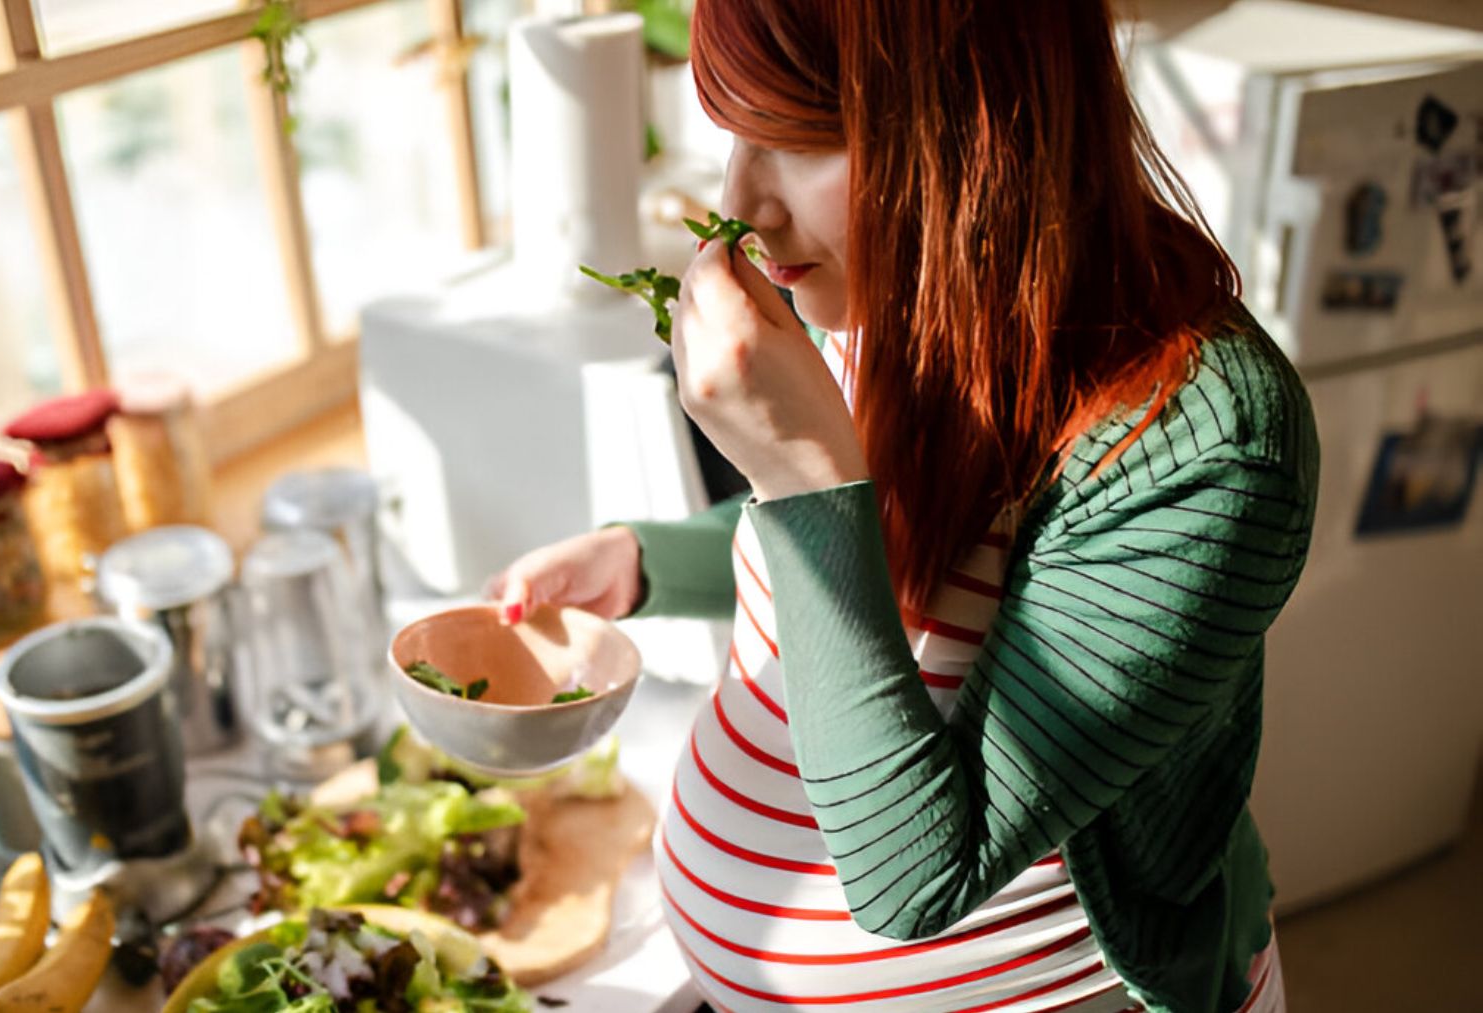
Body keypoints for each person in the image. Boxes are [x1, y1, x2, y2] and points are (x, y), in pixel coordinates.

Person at [485, 1, 1319, 1010]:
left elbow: (918, 874)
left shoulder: (1212, 446)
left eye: (800, 140)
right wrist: (649, 559)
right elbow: (896, 551)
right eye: (736, 135)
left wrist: (795, 473)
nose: (744, 204)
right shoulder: (885, 283)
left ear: (980, 120)